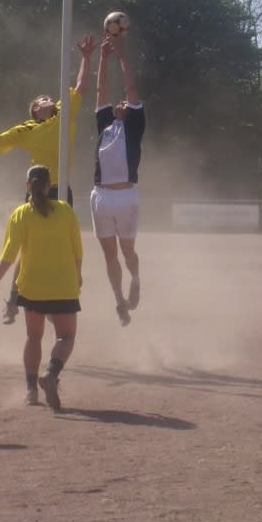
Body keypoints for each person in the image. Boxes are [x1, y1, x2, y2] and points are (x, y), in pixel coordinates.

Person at [0, 36, 95, 325]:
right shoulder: (26, 128)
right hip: (38, 192)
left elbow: (81, 86)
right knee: (27, 246)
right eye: (43, 100)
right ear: (35, 109)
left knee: (65, 245)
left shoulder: (63, 113)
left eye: (50, 99)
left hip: (60, 189)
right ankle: (15, 297)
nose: (49, 101)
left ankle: (60, 295)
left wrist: (86, 57)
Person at [0, 165, 82, 410]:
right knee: (66, 336)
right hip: (63, 284)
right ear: (50, 186)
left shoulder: (20, 214)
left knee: (33, 337)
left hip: (32, 287)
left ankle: (31, 391)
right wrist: (78, 276)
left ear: (28, 186)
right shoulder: (65, 210)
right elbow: (77, 251)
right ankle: (50, 374)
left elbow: (9, 253)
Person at [90, 34, 145, 326]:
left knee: (127, 251)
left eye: (125, 102)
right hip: (101, 195)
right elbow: (100, 90)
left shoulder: (134, 124)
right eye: (119, 102)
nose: (122, 102)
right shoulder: (104, 123)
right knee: (109, 255)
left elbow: (131, 88)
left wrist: (122, 55)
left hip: (126, 195)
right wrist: (103, 57)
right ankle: (119, 300)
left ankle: (135, 278)